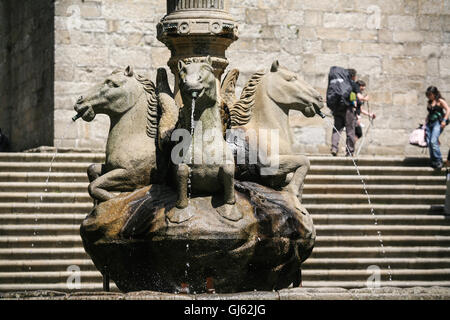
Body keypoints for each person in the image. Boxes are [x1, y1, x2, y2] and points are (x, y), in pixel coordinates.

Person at [331, 69, 369, 157]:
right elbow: (359, 97)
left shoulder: (338, 83)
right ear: (353, 76)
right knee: (350, 130)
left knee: (337, 129)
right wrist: (365, 99)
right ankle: (349, 151)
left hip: (337, 108)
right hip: (348, 109)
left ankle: (334, 148)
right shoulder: (353, 84)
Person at [425, 86, 449, 169]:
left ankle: (439, 160)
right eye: (427, 94)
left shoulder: (440, 101)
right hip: (429, 123)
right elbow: (430, 113)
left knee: (433, 141)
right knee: (429, 142)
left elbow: (448, 109)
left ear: (434, 94)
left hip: (438, 123)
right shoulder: (430, 102)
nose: (429, 96)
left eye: (430, 94)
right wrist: (425, 122)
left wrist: (444, 120)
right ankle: (433, 160)